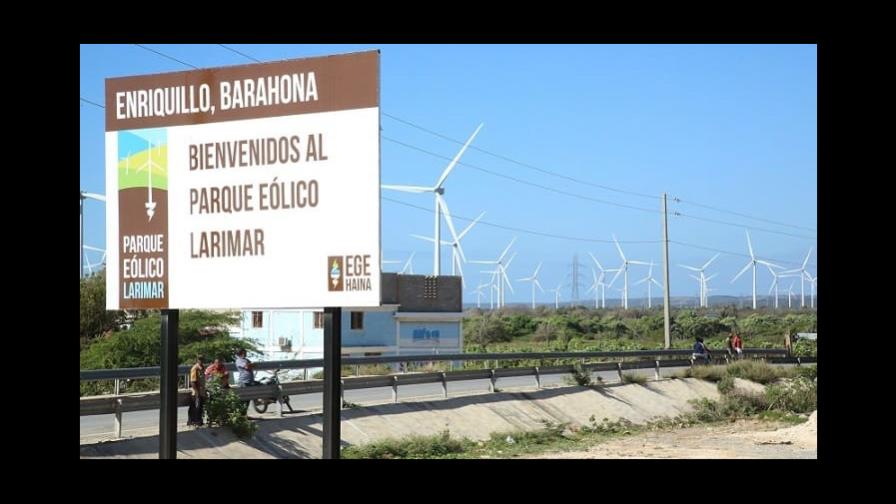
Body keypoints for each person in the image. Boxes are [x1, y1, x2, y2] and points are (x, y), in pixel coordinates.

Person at [188, 355, 206, 426]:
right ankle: (193, 421)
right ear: (197, 360)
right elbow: (193, 381)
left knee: (200, 407)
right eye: (200, 359)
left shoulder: (202, 368)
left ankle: (198, 421)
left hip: (202, 391)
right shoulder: (195, 368)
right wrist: (197, 392)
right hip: (197, 391)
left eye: (202, 359)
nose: (201, 360)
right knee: (195, 407)